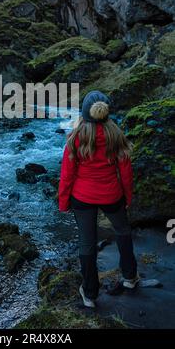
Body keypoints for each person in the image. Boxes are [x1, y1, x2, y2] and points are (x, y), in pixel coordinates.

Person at [58, 90, 139, 308]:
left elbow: (67, 175)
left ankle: (90, 294)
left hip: (82, 198)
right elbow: (126, 172)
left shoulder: (75, 138)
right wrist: (127, 197)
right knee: (123, 231)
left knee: (87, 243)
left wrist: (63, 202)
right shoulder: (116, 134)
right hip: (112, 195)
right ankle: (130, 277)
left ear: (85, 113)